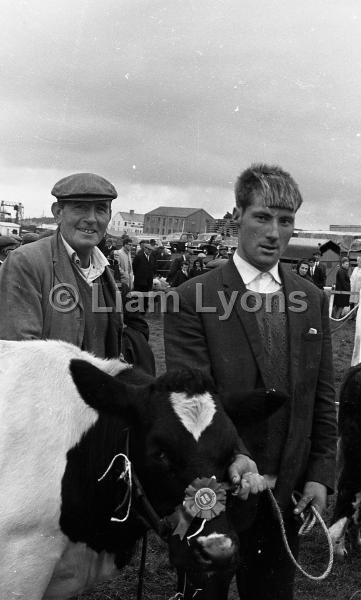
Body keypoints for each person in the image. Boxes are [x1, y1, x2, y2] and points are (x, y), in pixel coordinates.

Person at [164, 163, 337, 600]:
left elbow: (322, 395)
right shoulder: (193, 297)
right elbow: (193, 400)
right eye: (262, 217)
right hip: (216, 490)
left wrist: (319, 473)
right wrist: (239, 460)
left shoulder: (311, 299)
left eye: (286, 220)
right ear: (237, 215)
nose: (274, 232)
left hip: (287, 495)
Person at [0, 173, 154, 373]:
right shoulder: (26, 262)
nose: (91, 219)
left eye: (100, 209)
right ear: (58, 212)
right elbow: (20, 356)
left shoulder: (103, 270)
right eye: (80, 207)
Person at [132, 242, 155, 311]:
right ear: (145, 249)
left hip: (148, 281)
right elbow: (134, 267)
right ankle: (136, 308)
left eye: (151, 250)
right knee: (138, 294)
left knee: (146, 294)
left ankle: (144, 307)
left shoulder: (151, 257)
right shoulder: (139, 256)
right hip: (140, 280)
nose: (150, 251)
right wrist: (138, 276)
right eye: (149, 250)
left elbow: (152, 268)